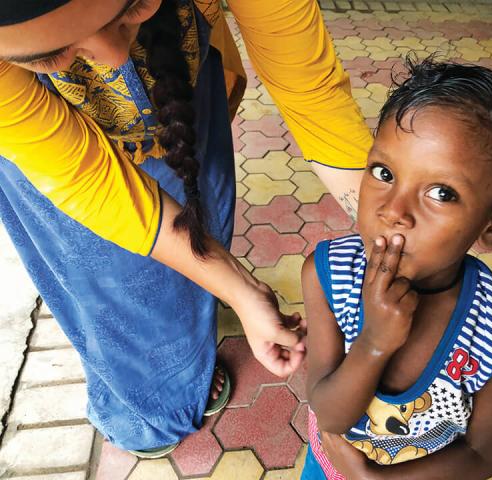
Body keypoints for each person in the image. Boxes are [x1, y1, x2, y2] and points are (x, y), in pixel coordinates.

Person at [0, 0, 372, 458]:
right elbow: (91, 183)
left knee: (206, 217)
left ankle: (191, 349)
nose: (116, 57)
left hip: (182, 83)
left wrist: (387, 227)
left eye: (135, 5)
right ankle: (148, 405)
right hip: (57, 159)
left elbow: (311, 91)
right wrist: (239, 289)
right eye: (49, 55)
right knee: (120, 283)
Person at [300, 56, 492, 479]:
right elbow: (329, 417)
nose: (393, 211)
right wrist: (375, 342)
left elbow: (484, 453)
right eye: (383, 172)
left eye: (441, 193)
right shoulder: (328, 276)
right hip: (331, 466)